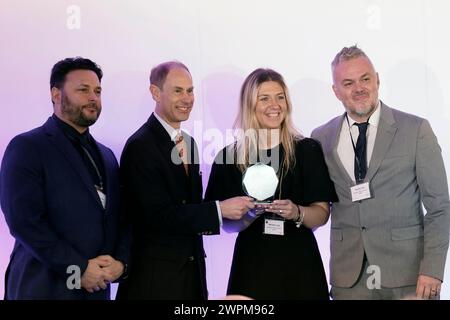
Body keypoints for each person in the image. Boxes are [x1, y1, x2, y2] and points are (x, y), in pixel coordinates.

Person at [311, 45, 450, 300]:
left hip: (408, 277)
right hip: (349, 280)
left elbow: (440, 206)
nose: (359, 88)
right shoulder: (321, 137)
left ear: (377, 80)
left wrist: (432, 270)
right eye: (348, 82)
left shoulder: (416, 129)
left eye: (365, 79)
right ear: (336, 91)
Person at [115, 61, 253, 300]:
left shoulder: (189, 142)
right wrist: (219, 210)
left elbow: (188, 206)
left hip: (191, 278)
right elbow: (156, 217)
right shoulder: (141, 145)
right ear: (155, 92)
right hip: (155, 281)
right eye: (178, 91)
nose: (187, 98)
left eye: (190, 91)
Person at [0, 57, 129, 300]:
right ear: (56, 95)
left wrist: (120, 264)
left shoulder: (107, 155)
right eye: (83, 90)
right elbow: (24, 222)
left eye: (98, 91)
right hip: (42, 288)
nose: (93, 97)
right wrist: (78, 268)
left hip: (96, 291)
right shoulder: (28, 146)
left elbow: (121, 217)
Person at [205, 68, 338, 300]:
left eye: (280, 97)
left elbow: (322, 213)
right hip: (252, 268)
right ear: (250, 104)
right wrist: (246, 216)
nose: (274, 105)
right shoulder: (229, 157)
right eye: (264, 98)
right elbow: (225, 223)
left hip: (301, 267)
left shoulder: (307, 150)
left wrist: (296, 212)